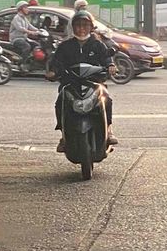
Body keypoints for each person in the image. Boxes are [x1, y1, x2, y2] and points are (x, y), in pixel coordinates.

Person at [49, 10, 118, 152]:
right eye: (78, 25)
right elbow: (56, 62)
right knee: (60, 101)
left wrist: (111, 65)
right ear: (73, 27)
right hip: (70, 83)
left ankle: (109, 130)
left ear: (91, 27)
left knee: (107, 100)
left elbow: (106, 58)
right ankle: (63, 135)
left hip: (94, 82)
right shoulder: (65, 46)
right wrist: (53, 71)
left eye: (85, 25)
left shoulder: (98, 45)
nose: (81, 29)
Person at [9, 0, 42, 66]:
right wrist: (30, 32)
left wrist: (39, 30)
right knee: (27, 47)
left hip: (24, 38)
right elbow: (20, 28)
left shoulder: (24, 18)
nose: (28, 10)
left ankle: (30, 61)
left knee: (36, 45)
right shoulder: (16, 18)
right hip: (16, 39)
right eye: (25, 8)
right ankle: (22, 63)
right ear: (20, 9)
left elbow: (30, 26)